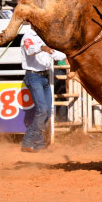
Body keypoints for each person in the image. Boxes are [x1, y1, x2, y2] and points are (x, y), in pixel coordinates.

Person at [20, 24, 66, 152]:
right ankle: (29, 142)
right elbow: (30, 51)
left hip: (43, 77)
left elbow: (56, 54)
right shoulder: (28, 36)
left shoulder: (43, 36)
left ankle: (36, 144)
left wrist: (68, 53)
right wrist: (42, 48)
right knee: (43, 110)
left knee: (46, 111)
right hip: (34, 76)